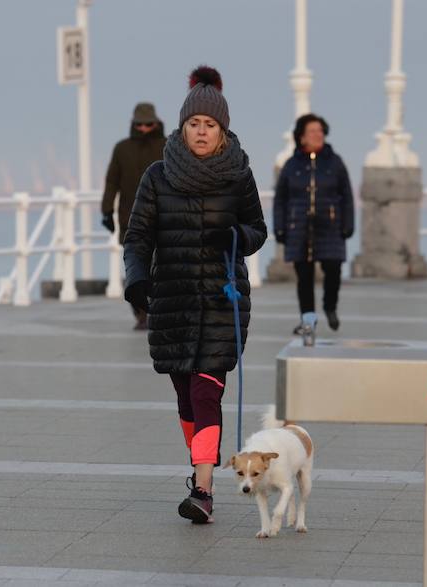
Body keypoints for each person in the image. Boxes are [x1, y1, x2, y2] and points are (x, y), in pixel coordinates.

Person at [123, 66, 267, 524]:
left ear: (222, 130)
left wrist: (237, 236)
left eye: (210, 125)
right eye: (194, 124)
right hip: (173, 301)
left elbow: (258, 229)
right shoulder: (157, 176)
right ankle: (199, 468)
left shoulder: (238, 175)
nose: (201, 132)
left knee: (207, 395)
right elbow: (138, 237)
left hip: (224, 302)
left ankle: (202, 491)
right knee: (186, 400)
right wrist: (136, 280)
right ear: (182, 127)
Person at [273, 113, 355, 334]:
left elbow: (347, 194)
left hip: (330, 225)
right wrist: (279, 227)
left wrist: (348, 224)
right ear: (301, 137)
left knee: (333, 269)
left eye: (320, 131)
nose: (318, 135)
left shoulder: (335, 162)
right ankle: (308, 320)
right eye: (312, 131)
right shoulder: (291, 165)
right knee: (305, 277)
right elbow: (280, 198)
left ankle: (330, 307)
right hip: (298, 227)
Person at [101, 102, 166, 330]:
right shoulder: (122, 149)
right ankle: (141, 315)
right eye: (140, 124)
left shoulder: (168, 146)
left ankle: (156, 311)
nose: (144, 128)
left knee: (161, 266)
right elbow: (112, 181)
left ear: (156, 123)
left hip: (164, 219)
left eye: (149, 124)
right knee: (135, 269)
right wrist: (106, 211)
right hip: (130, 219)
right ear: (133, 124)